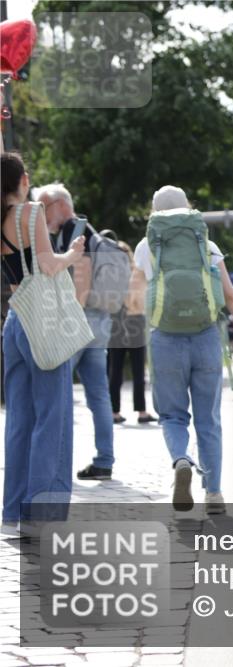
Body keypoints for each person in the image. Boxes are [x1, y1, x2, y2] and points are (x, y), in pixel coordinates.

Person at [131, 186, 233, 515]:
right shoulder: (206, 244)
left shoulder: (146, 246)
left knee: (173, 416)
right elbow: (230, 295)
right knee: (209, 419)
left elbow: (134, 300)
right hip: (205, 337)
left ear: (154, 212)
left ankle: (181, 460)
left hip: (165, 338)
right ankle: (214, 493)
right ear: (188, 208)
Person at [2, 152, 85, 531]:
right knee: (53, 417)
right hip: (43, 319)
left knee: (19, 420)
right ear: (23, 180)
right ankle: (42, 515)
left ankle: (13, 511)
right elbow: (49, 265)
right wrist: (73, 254)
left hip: (14, 319)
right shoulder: (31, 212)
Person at [35, 183, 115, 482]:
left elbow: (82, 274)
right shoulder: (87, 230)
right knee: (99, 394)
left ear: (61, 205)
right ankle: (104, 461)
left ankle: (55, 464)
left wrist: (71, 320)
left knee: (56, 389)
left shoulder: (74, 228)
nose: (42, 216)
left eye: (44, 208)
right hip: (100, 320)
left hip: (81, 319)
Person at [106, 240, 156, 425]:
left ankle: (114, 412)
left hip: (116, 322)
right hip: (135, 320)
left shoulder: (108, 275)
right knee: (138, 370)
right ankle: (141, 412)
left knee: (115, 370)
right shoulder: (137, 273)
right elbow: (139, 301)